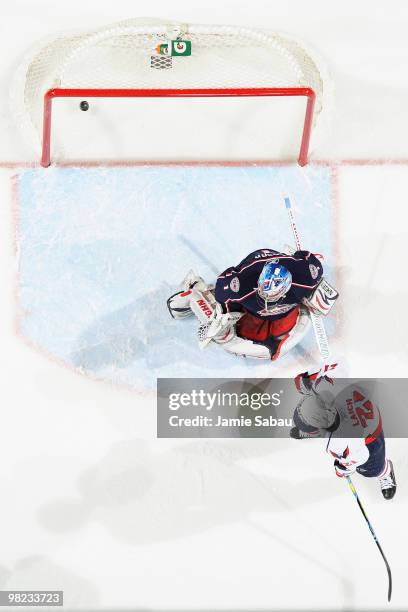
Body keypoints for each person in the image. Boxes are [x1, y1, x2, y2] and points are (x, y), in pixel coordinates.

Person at [168, 248, 335, 360]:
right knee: (224, 321)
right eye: (263, 291)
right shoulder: (240, 285)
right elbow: (222, 288)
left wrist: (301, 257)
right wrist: (221, 315)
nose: (264, 299)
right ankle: (196, 289)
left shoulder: (306, 278)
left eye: (272, 296)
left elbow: (313, 262)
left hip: (280, 295)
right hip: (251, 271)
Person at [290, 366, 397, 500]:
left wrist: (343, 469)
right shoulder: (327, 385)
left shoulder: (337, 444)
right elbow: (340, 363)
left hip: (370, 439)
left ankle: (385, 472)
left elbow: (361, 457)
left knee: (373, 470)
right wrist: (310, 376)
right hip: (365, 410)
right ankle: (318, 429)